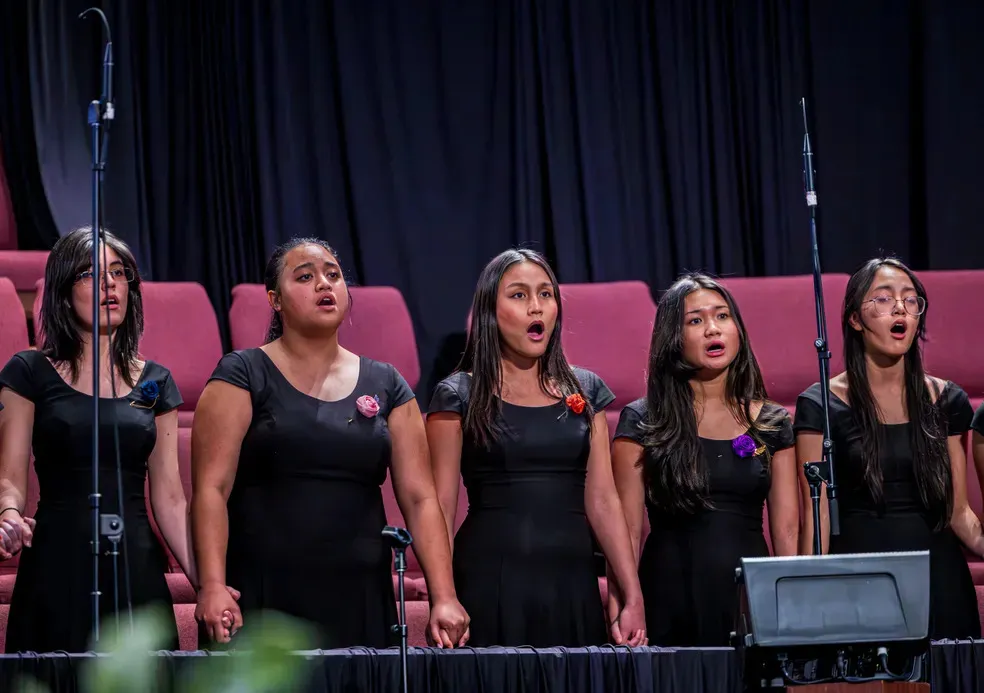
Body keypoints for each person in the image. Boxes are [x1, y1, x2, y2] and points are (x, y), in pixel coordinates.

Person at [191, 237, 469, 649]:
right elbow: (211, 489)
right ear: (276, 300)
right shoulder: (243, 373)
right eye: (305, 277)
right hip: (264, 593)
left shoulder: (387, 383)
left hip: (359, 595)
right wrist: (212, 585)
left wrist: (444, 595)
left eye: (333, 275)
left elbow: (420, 498)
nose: (325, 284)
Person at [427, 248, 646, 648]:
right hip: (489, 578)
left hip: (571, 580)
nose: (537, 308)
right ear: (490, 310)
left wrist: (632, 594)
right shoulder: (458, 394)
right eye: (519, 295)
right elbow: (439, 506)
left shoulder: (586, 390)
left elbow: (603, 501)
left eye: (546, 295)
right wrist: (443, 595)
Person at [0, 227, 204, 652]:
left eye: (118, 272)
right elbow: (11, 477)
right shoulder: (29, 371)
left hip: (135, 561)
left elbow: (169, 500)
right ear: (61, 290)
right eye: (90, 274)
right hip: (57, 557)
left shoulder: (155, 382)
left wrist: (208, 583)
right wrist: (9, 514)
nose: (109, 284)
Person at [795, 257, 982, 639]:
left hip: (938, 575)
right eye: (883, 299)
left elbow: (957, 510)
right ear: (854, 319)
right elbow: (817, 520)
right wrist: (806, 596)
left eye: (911, 300)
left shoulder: (947, 400)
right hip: (859, 578)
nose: (900, 307)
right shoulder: (821, 405)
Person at [610, 273, 799, 647]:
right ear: (673, 338)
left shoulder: (773, 422)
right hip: (668, 592)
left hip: (749, 596)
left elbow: (788, 530)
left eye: (723, 316)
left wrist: (790, 601)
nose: (713, 329)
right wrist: (627, 603)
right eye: (696, 321)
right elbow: (627, 532)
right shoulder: (643, 420)